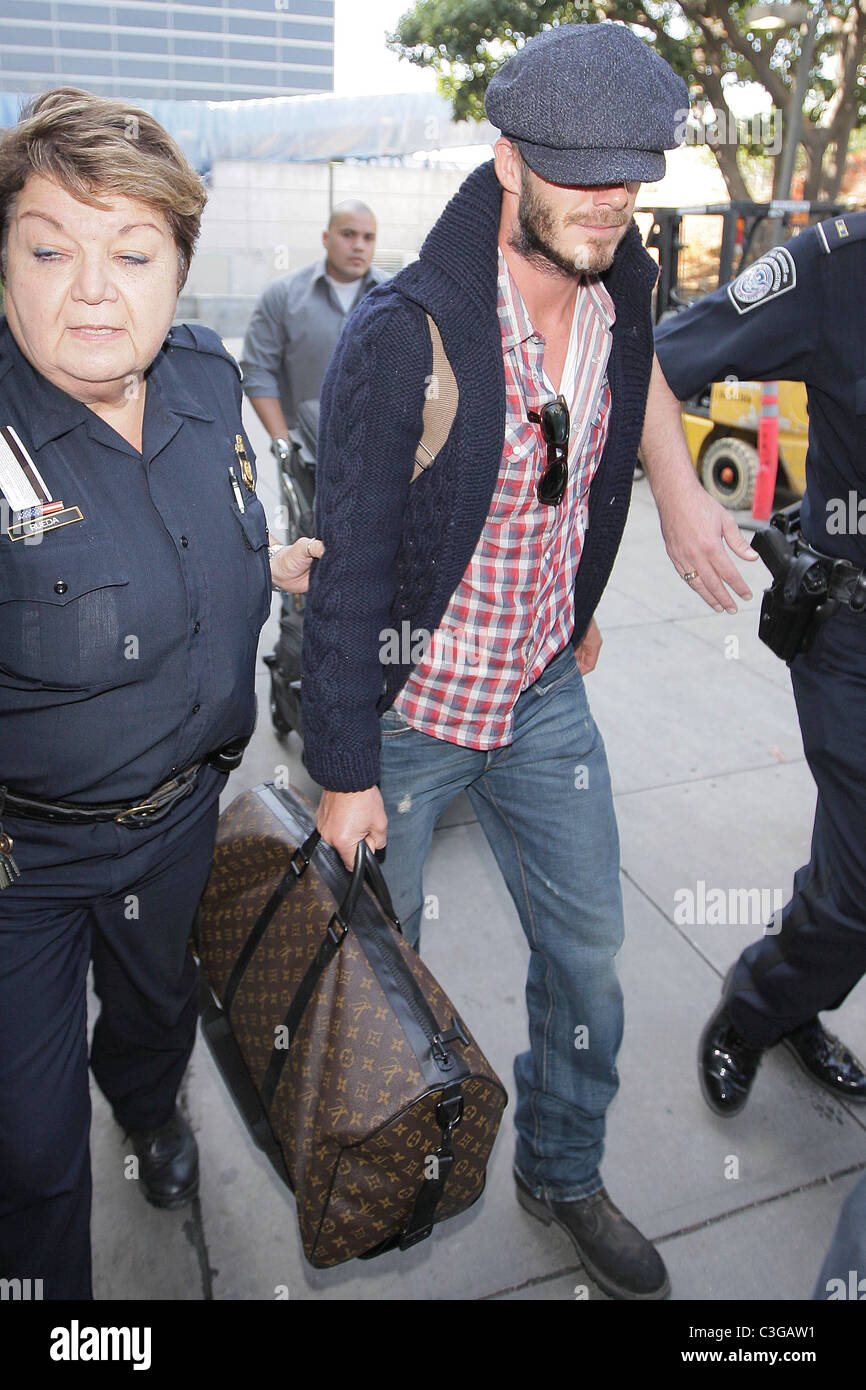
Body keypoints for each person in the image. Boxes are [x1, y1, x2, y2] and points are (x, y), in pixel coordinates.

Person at [301, 23, 700, 1301]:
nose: (604, 199)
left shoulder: (621, 287)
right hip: (408, 716)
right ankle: (379, 1188)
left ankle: (561, 1169)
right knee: (378, 986)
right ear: (504, 157)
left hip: (540, 703)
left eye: (628, 172)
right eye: (574, 170)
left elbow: (627, 401)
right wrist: (344, 770)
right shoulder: (403, 330)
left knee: (586, 960)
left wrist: (661, 508)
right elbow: (351, 564)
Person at [0, 87, 321, 1302]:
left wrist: (268, 566)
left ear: (180, 269)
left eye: (132, 252)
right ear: (4, 261)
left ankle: (146, 1110)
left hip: (185, 820)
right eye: (48, 249)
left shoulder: (201, 376)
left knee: (154, 1017)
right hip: (20, 860)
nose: (92, 290)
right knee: (28, 1154)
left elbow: (211, 532)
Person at [642, 212, 866, 1116]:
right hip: (854, 638)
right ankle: (760, 1008)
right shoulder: (837, 266)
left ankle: (796, 993)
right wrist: (679, 493)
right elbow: (651, 362)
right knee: (859, 896)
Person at [240, 199, 386, 463]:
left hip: (378, 459)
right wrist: (282, 441)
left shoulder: (396, 298)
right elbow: (258, 370)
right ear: (326, 238)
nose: (358, 246)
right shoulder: (283, 296)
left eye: (368, 238)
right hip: (306, 457)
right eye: (348, 234)